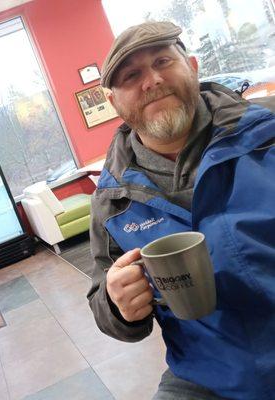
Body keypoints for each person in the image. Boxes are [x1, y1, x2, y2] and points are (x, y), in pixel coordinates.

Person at [87, 21, 275, 400]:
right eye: (131, 75)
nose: (152, 80)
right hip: (206, 377)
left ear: (191, 66)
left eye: (162, 61)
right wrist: (117, 302)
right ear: (114, 102)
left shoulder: (266, 137)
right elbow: (102, 300)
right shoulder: (112, 201)